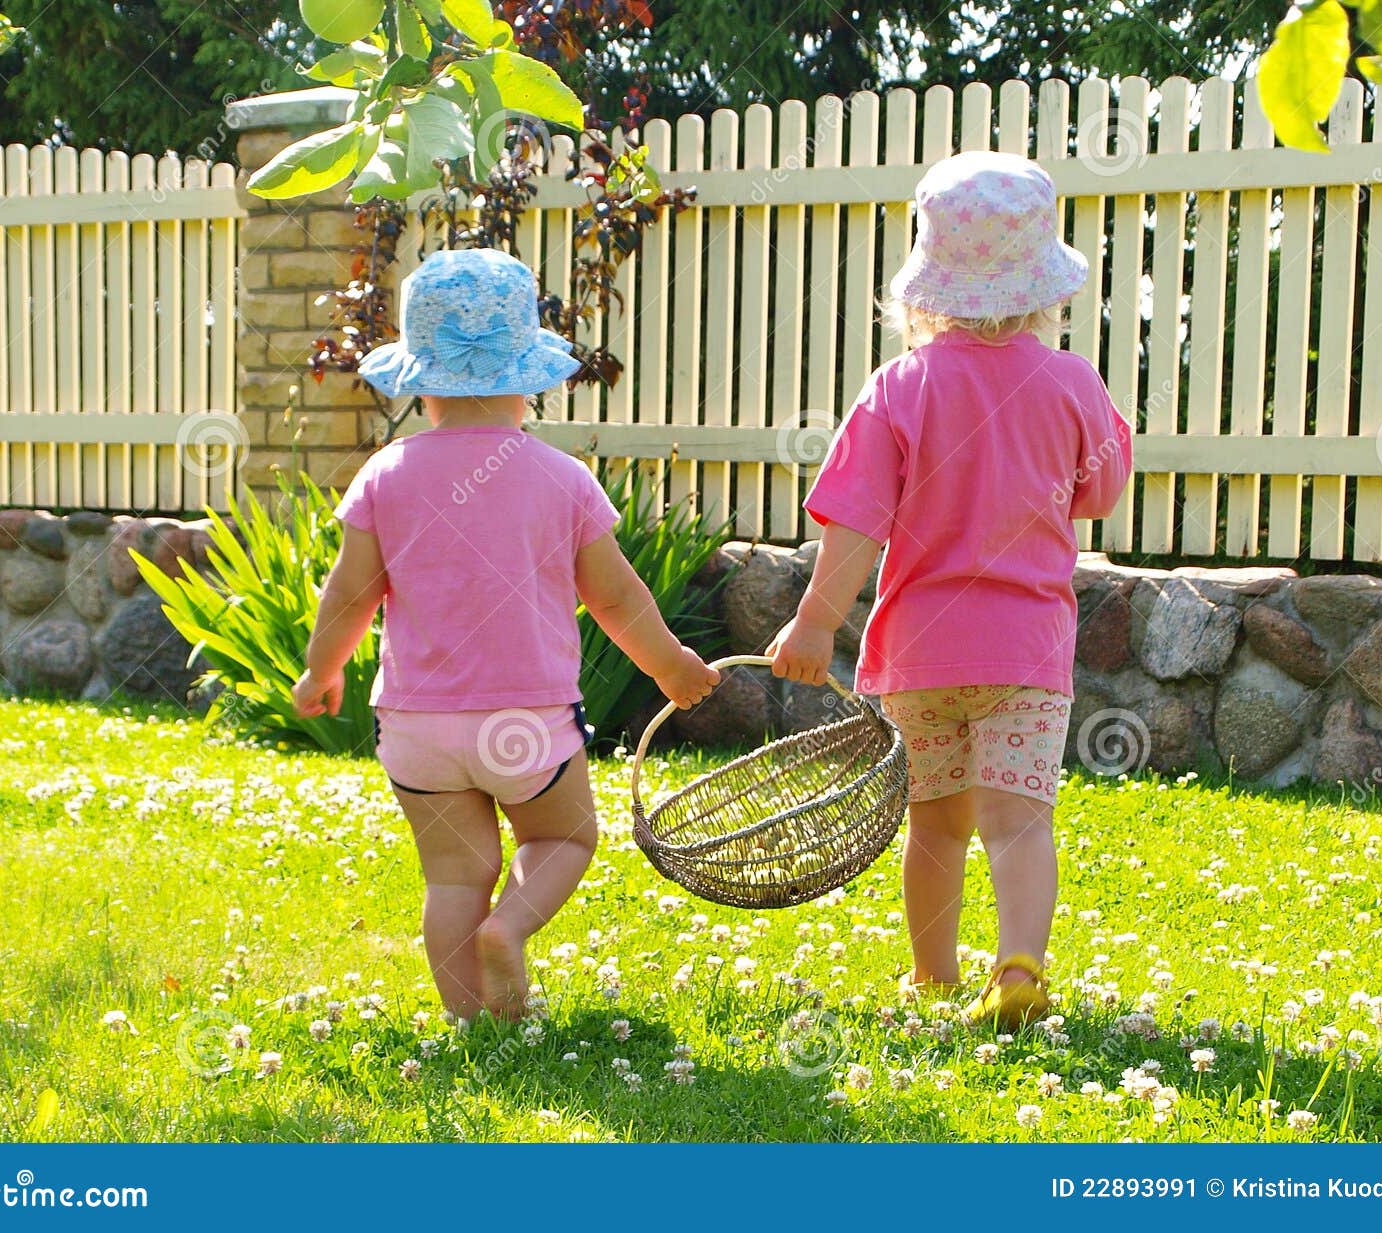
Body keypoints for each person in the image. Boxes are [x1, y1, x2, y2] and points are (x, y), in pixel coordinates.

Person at [293, 248, 719, 1020]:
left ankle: (472, 1024)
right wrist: (671, 665)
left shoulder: (385, 476)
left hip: (419, 725)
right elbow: (617, 599)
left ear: (421, 384)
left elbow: (349, 593)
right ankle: (511, 929)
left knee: (454, 874)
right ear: (528, 380)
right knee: (564, 838)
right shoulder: (560, 479)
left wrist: (323, 671)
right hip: (526, 722)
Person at [766, 152, 1132, 1029]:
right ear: (1044, 286)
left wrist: (816, 621)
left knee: (934, 825)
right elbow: (1101, 489)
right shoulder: (1073, 381)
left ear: (924, 287)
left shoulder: (898, 387)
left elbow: (855, 524)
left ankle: (933, 974)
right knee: (1017, 821)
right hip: (1027, 653)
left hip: (921, 651)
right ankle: (1017, 966)